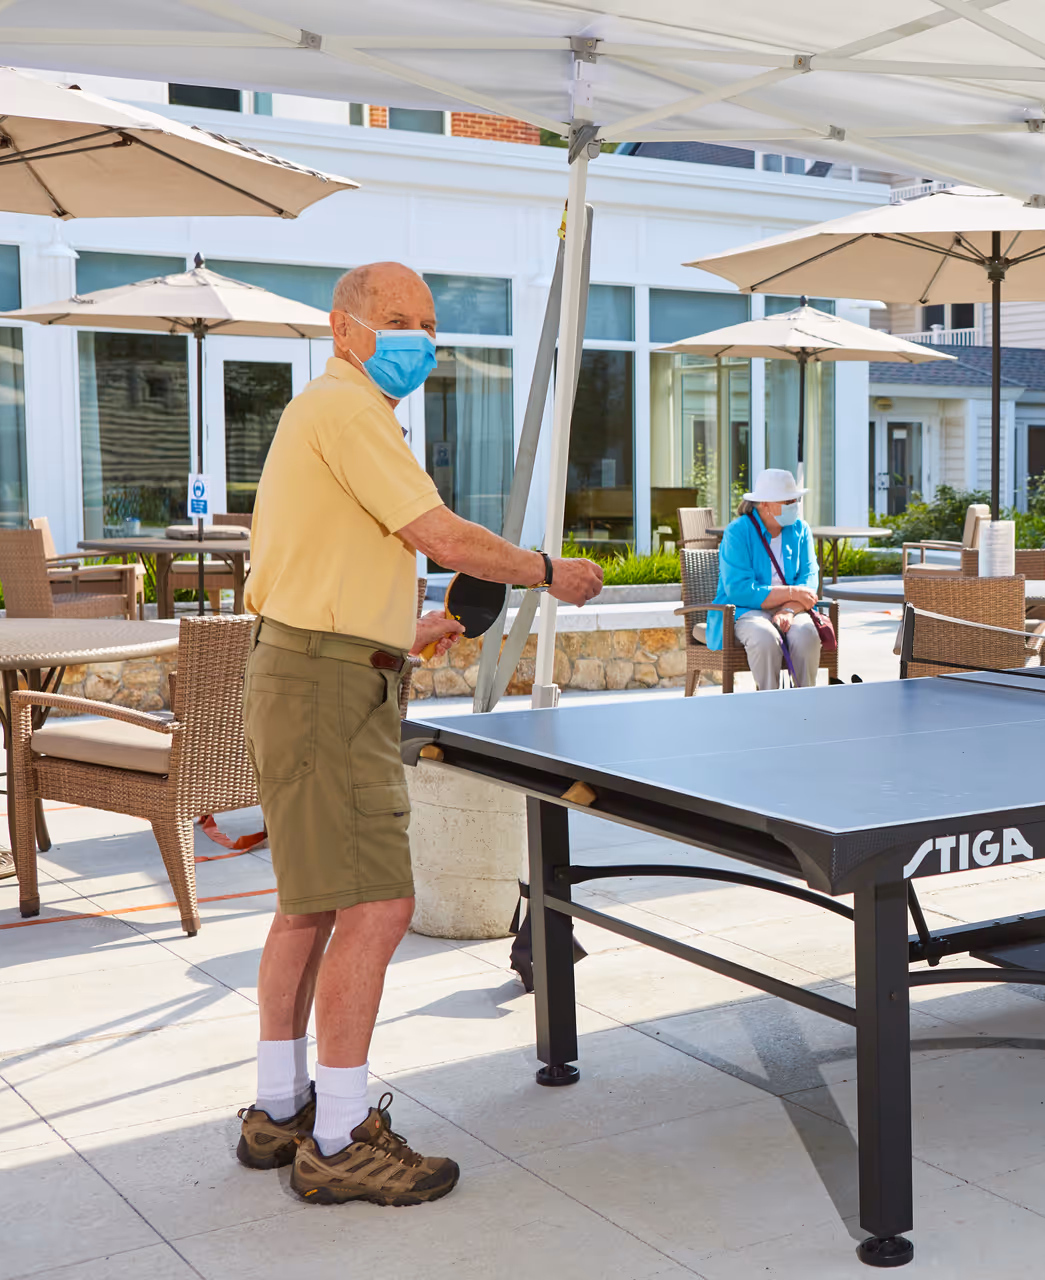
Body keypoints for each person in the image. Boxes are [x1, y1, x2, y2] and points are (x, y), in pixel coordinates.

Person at [235, 262, 602, 1205]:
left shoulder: (323, 415)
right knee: (377, 905)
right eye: (399, 319)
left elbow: (328, 564)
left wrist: (407, 633)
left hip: (314, 668)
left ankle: (282, 1108)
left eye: (430, 324)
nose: (420, 338)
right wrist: (545, 569)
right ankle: (340, 1136)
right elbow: (440, 535)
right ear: (343, 327)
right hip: (323, 688)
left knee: (310, 903)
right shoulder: (350, 409)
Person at [707, 468, 822, 690]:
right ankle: (770, 702)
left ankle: (805, 704)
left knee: (807, 633)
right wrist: (792, 593)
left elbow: (809, 579)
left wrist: (788, 609)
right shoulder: (737, 532)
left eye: (795, 499)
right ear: (764, 504)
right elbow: (740, 590)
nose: (794, 505)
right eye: (787, 500)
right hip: (743, 611)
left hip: (791, 610)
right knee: (765, 636)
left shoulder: (801, 529)